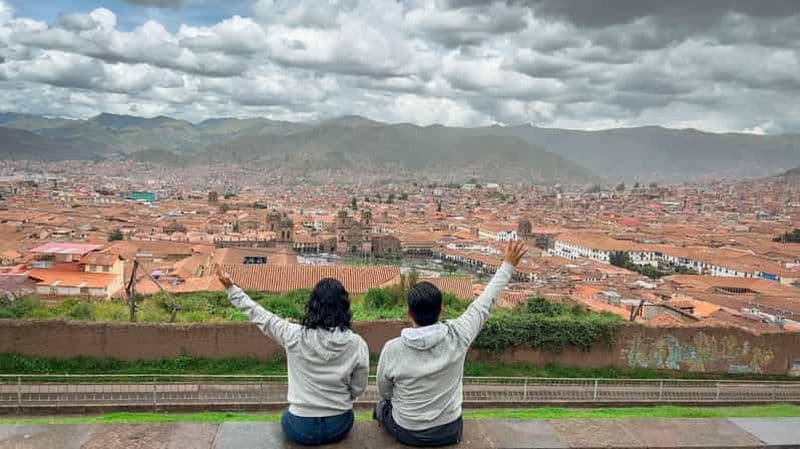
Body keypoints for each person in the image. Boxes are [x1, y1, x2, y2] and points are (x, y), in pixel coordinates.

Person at [374, 239, 527, 446]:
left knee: (381, 406)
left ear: (409, 312)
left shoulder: (393, 349)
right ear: (441, 310)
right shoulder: (459, 334)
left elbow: (385, 391)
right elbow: (484, 303)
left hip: (407, 431)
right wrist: (508, 265)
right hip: (448, 430)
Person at [217, 269, 369, 446]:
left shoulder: (293, 335)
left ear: (312, 305)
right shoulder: (356, 343)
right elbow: (358, 387)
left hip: (300, 426)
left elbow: (260, 316)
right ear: (345, 307)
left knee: (287, 415)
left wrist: (231, 288)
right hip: (339, 424)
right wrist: (340, 398)